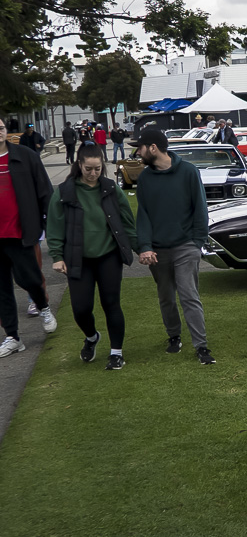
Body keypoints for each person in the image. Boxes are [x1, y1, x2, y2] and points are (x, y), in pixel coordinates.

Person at [47, 144, 136, 369]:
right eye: (88, 169)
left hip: (108, 256)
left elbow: (127, 222)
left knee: (111, 303)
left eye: (97, 168)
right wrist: (57, 256)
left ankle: (116, 353)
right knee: (81, 309)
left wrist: (141, 248)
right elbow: (55, 227)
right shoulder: (65, 192)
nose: (93, 173)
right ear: (79, 165)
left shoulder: (110, 189)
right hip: (78, 258)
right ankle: (91, 337)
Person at [131, 128, 214, 364]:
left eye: (140, 148)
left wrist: (197, 242)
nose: (138, 153)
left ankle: (201, 346)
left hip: (186, 245)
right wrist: (145, 246)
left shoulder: (188, 171)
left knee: (189, 295)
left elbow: (200, 208)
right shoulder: (145, 178)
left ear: (153, 148)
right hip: (158, 250)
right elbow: (143, 215)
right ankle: (174, 336)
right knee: (166, 296)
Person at [0, 135, 58, 356]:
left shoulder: (25, 156)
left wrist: (49, 224)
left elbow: (45, 191)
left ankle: (43, 306)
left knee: (29, 279)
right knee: (2, 290)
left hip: (19, 233)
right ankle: (13, 337)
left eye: (1, 127)